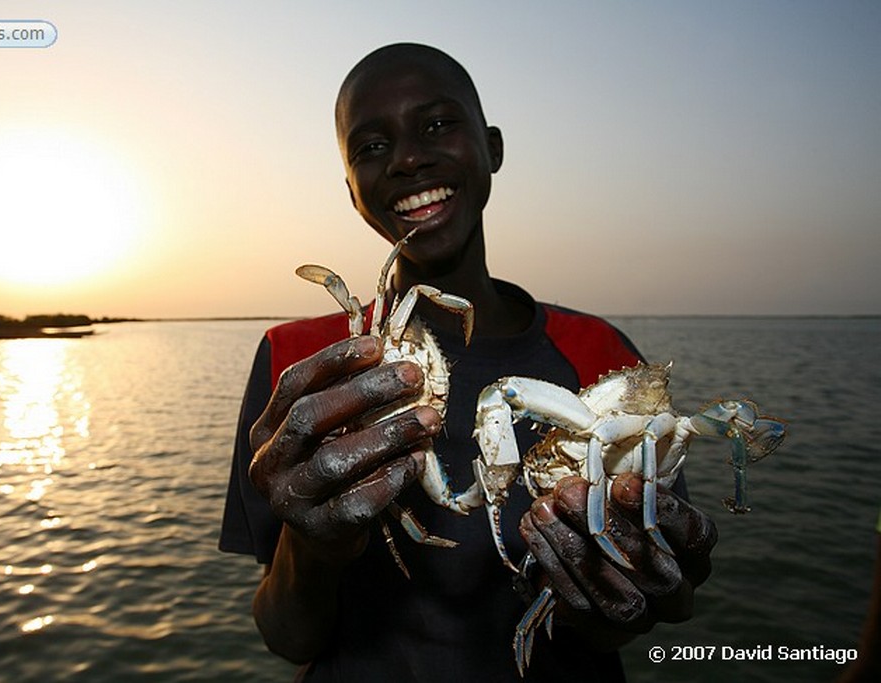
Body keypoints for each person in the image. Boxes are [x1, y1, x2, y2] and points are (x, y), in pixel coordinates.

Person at [219, 43, 717, 681]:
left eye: (435, 125)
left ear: (493, 148)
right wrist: (315, 544)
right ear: (352, 191)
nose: (406, 157)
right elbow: (288, 635)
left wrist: (638, 592)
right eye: (371, 146)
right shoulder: (301, 368)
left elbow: (649, 599)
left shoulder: (602, 359)